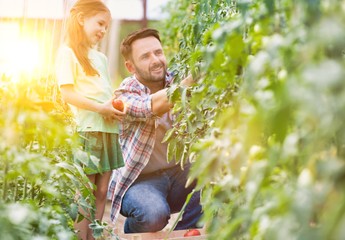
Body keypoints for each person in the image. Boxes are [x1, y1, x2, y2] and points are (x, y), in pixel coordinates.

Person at [108, 28, 202, 233]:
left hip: (178, 175)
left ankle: (185, 232)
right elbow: (149, 107)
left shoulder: (176, 79)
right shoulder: (124, 95)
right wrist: (194, 78)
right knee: (152, 215)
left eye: (158, 52)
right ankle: (136, 229)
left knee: (211, 171)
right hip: (139, 181)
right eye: (145, 56)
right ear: (130, 66)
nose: (156, 60)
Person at [55, 0, 126, 239]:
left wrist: (115, 103)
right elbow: (67, 94)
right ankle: (80, 236)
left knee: (102, 191)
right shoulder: (68, 53)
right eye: (100, 23)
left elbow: (104, 92)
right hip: (88, 129)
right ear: (81, 19)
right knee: (84, 192)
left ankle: (93, 237)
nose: (103, 30)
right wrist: (101, 108)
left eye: (107, 26)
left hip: (108, 130)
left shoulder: (101, 58)